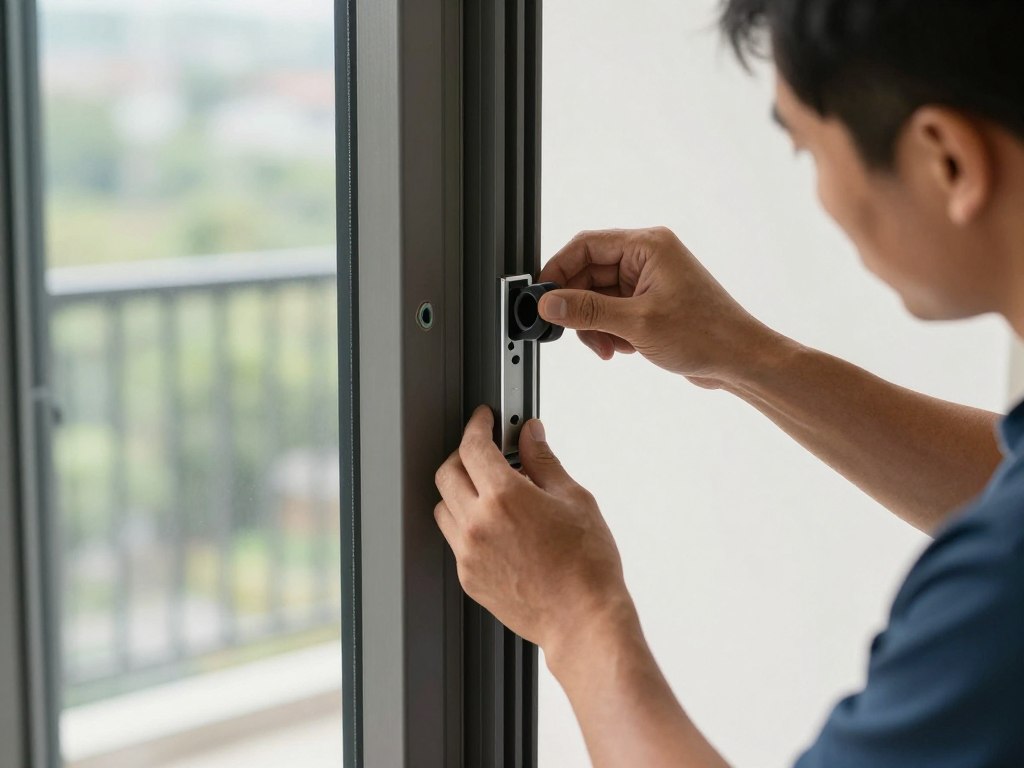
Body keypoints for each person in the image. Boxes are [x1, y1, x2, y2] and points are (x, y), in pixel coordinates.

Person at [432, 1, 1024, 765]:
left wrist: (577, 616)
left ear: (946, 160)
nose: (822, 197)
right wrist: (745, 355)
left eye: (808, 149)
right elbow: (999, 483)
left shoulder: (995, 600)